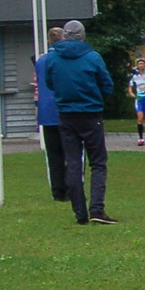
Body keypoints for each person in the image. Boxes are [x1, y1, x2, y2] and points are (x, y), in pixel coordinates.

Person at [44, 20, 118, 225]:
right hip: (91, 114)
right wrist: (96, 99)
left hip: (66, 115)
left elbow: (50, 82)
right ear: (82, 36)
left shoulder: (52, 58)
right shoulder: (92, 57)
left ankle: (79, 212)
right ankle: (97, 208)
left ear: (64, 36)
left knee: (73, 163)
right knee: (98, 163)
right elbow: (107, 84)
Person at [33, 27, 67, 199]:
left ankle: (57, 191)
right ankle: (71, 187)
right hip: (63, 109)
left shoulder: (41, 61)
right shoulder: (63, 59)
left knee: (53, 155)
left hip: (46, 112)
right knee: (70, 153)